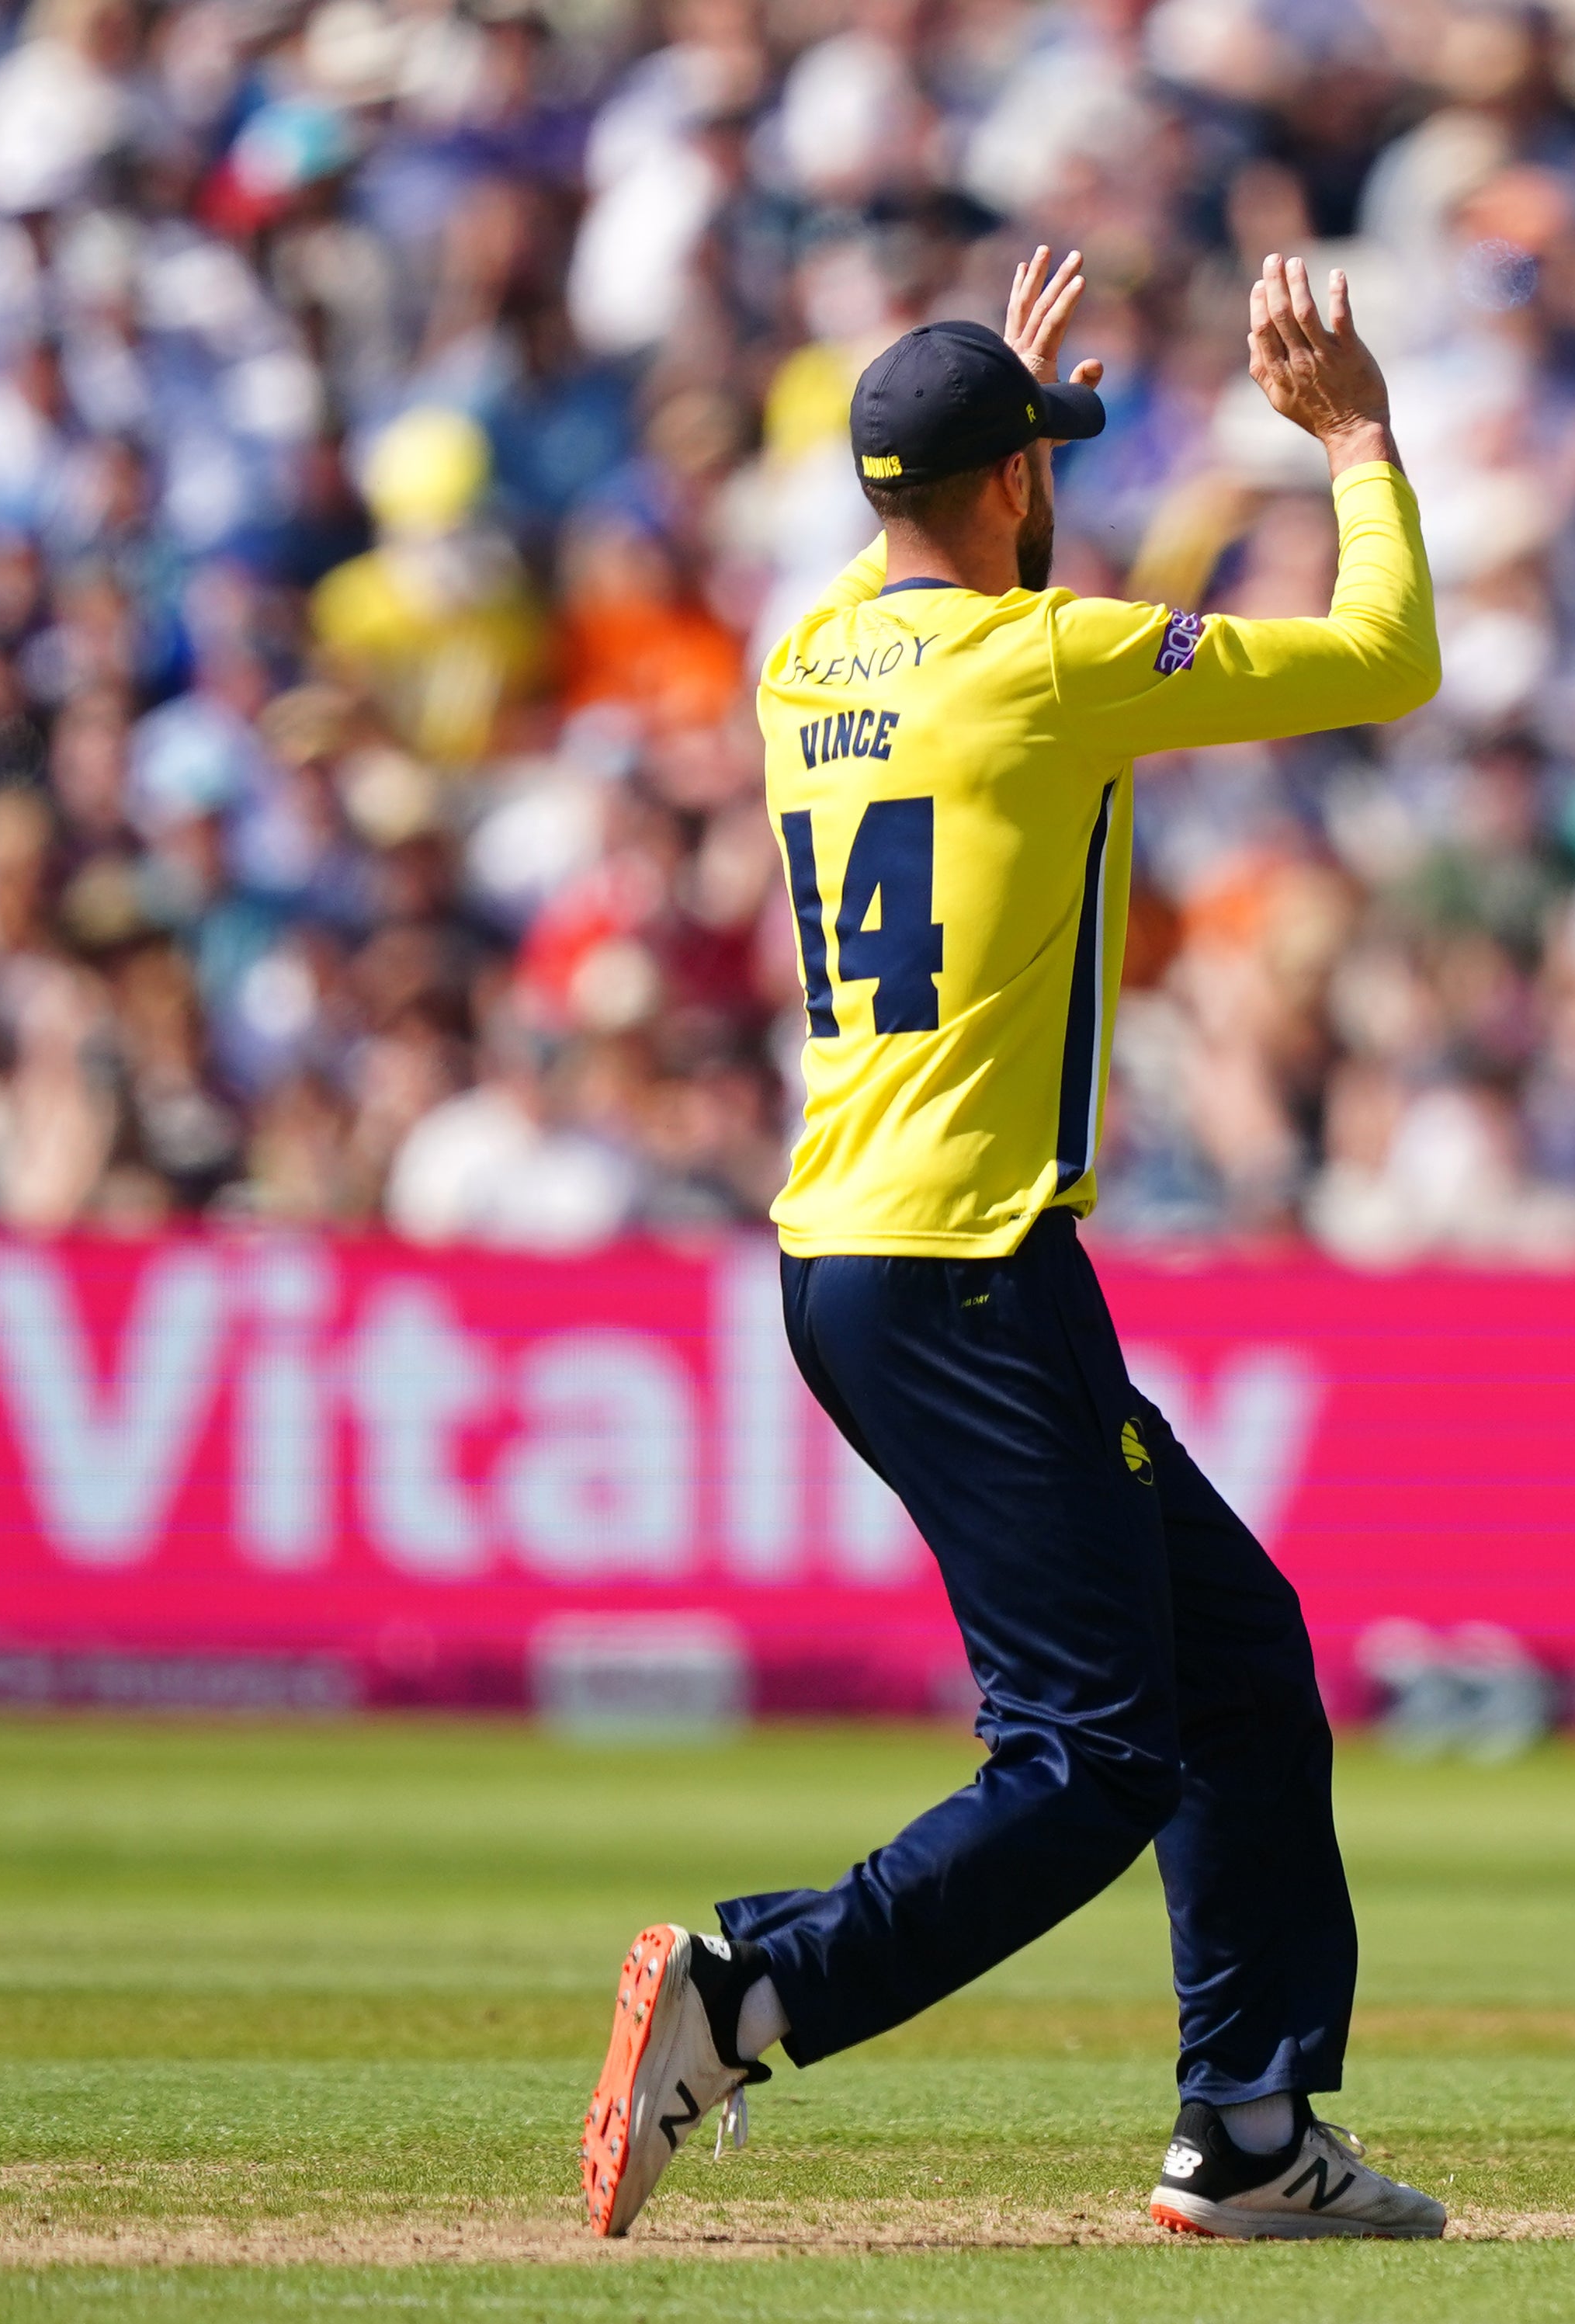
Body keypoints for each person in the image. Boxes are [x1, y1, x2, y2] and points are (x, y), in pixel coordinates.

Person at [581, 250, 1448, 2242]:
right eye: (1038, 459)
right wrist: (1355, 440)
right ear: (1009, 493)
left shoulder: (802, 656)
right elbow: (1384, 654)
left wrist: (995, 426)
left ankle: (1248, 2129)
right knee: (1086, 1751)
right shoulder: (1051, 659)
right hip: (965, 1262)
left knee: (1233, 1662)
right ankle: (752, 1986)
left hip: (862, 1259)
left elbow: (978, 598)